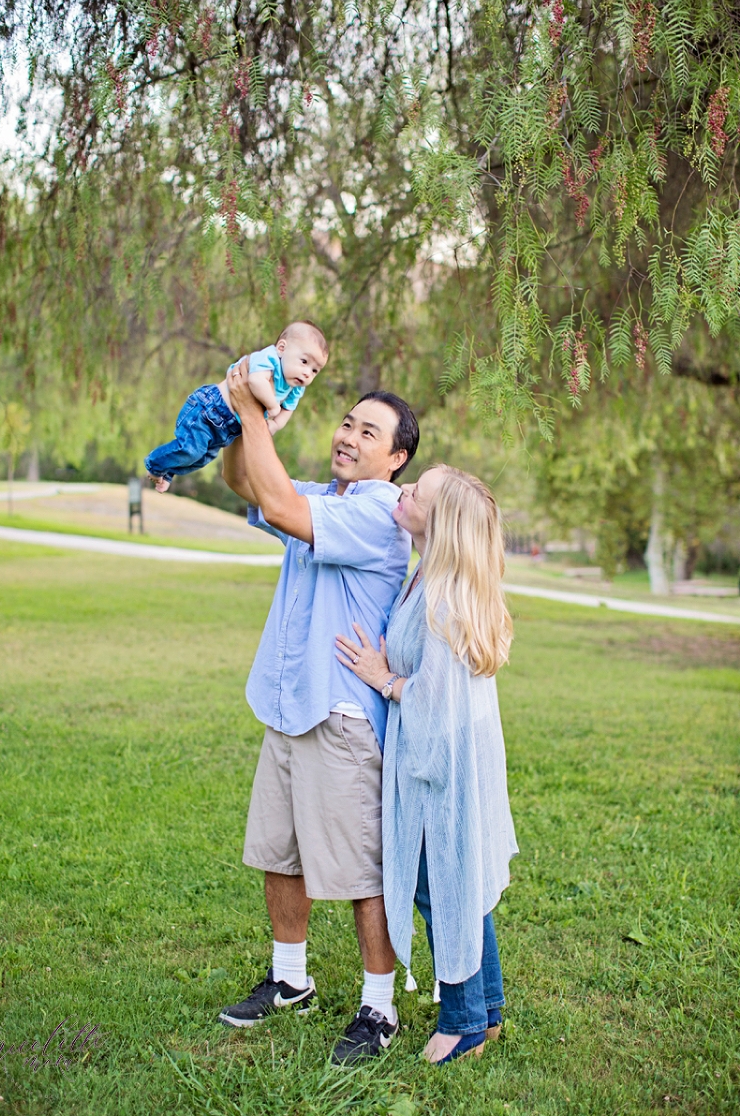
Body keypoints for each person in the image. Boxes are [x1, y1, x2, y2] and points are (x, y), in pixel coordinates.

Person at [216, 356, 420, 1065]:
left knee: (360, 871)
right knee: (281, 853)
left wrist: (249, 407)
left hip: (343, 719)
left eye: (370, 433)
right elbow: (245, 483)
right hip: (289, 704)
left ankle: (379, 1008)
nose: (349, 437)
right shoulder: (326, 498)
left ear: (395, 460)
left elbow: (277, 506)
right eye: (346, 422)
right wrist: (254, 421)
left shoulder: (377, 513)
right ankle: (290, 979)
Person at [335, 465, 518, 1065]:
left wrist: (382, 678)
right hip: (454, 754)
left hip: (443, 762)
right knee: (458, 875)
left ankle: (463, 1020)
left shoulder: (441, 597)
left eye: (418, 493)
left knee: (437, 881)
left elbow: (435, 699)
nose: (405, 491)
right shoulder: (432, 577)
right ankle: (486, 1006)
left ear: (437, 523)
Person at [144, 320, 328, 492]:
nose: (307, 373)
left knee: (201, 458)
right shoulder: (269, 358)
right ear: (281, 348)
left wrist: (276, 424)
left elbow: (289, 409)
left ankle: (168, 470)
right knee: (192, 450)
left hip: (227, 430)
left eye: (314, 371)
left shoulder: (295, 388)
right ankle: (154, 463)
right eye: (304, 362)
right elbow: (256, 381)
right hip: (210, 409)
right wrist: (273, 406)